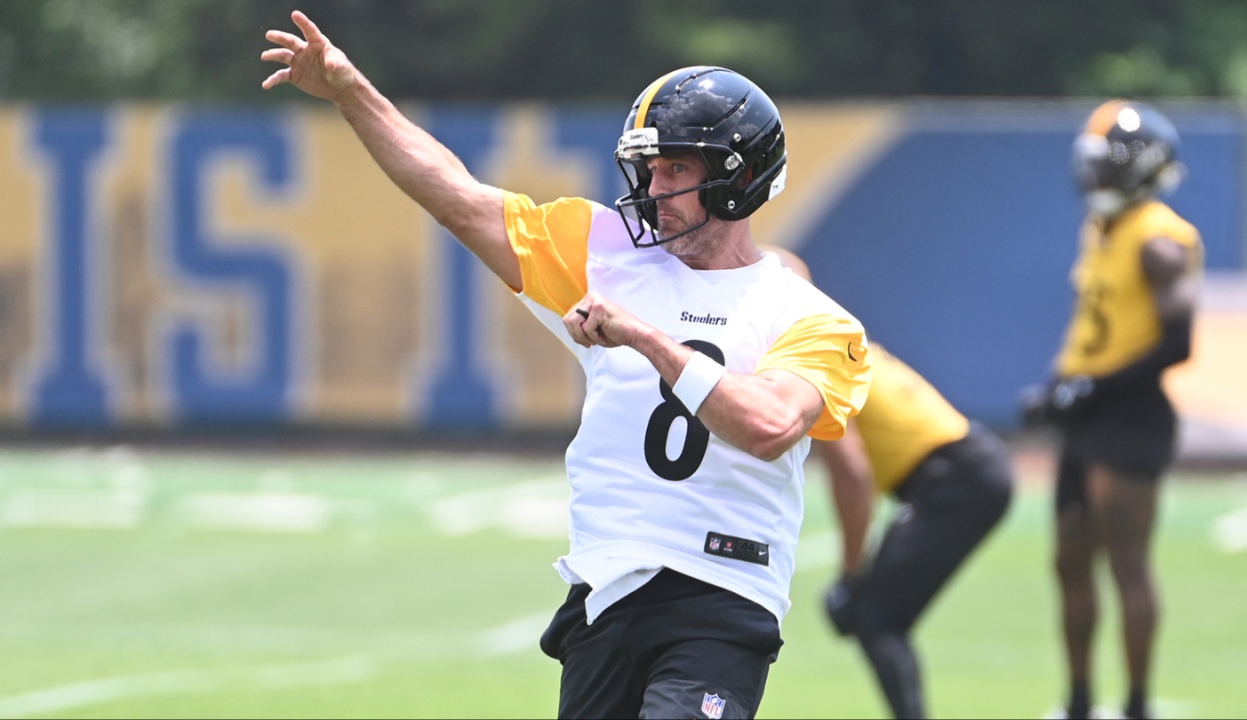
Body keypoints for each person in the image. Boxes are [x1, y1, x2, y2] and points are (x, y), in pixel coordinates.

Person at [262, 12, 873, 719]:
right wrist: (349, 92)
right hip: (604, 594)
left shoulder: (814, 320)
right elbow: (459, 200)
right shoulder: (607, 251)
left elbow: (768, 424)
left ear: (737, 178)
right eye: (648, 167)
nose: (652, 187)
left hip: (719, 597)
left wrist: (644, 337)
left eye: (676, 168)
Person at [766, 247, 1013, 719]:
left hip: (955, 476)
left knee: (877, 616)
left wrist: (851, 574)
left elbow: (852, 472)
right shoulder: (836, 336)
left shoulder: (812, 358)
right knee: (877, 616)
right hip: (963, 467)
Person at [1021, 100, 1203, 720]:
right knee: (1069, 560)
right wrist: (1057, 386)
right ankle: (1077, 701)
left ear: (1138, 168)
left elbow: (1178, 345)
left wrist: (1091, 389)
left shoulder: (1160, 240)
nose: (1095, 177)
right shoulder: (1103, 229)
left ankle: (1135, 705)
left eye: (1106, 165)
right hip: (1089, 417)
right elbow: (1095, 328)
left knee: (1127, 564)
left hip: (1132, 417)